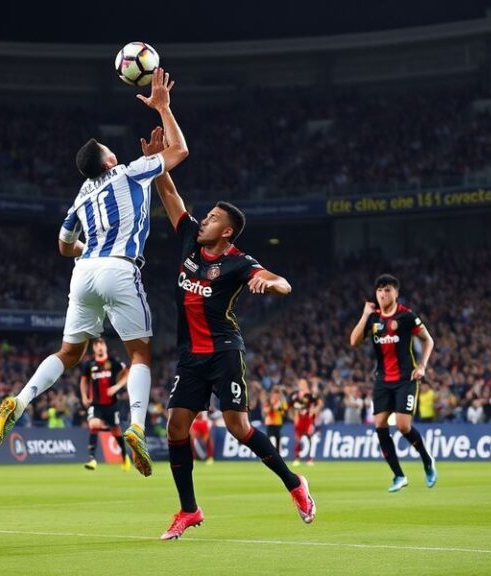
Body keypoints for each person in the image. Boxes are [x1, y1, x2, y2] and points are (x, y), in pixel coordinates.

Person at [0, 67, 189, 477]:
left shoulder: (80, 195)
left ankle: (21, 400)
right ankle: (134, 427)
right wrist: (164, 110)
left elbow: (63, 246)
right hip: (119, 268)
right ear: (109, 160)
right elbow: (180, 151)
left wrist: (87, 251)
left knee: (70, 352)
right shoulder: (129, 171)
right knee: (139, 352)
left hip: (84, 273)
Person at [145, 128, 316, 539]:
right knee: (175, 428)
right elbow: (168, 193)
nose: (204, 220)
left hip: (223, 350)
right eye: (206, 216)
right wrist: (156, 160)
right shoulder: (189, 239)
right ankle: (189, 510)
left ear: (226, 232)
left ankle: (295, 484)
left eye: (213, 219)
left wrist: (271, 285)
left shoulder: (239, 262)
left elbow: (282, 282)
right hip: (191, 355)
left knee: (239, 427)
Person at [350, 273, 437, 492]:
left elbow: (428, 340)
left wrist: (422, 366)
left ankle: (427, 460)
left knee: (402, 425)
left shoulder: (406, 316)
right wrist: (364, 315)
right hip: (382, 380)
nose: (382, 294)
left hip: (405, 379)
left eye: (387, 290)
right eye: (379, 290)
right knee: (379, 424)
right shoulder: (373, 318)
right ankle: (399, 476)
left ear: (396, 293)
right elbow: (354, 342)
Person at [80, 338, 131, 471]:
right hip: (96, 404)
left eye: (101, 344)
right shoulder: (89, 364)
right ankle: (92, 459)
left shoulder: (113, 361)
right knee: (94, 424)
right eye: (97, 345)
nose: (99, 347)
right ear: (94, 349)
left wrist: (117, 386)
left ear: (105, 346)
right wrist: (84, 396)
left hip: (111, 404)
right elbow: (84, 381)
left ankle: (125, 456)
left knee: (115, 430)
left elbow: (127, 372)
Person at [289, 379, 321, 466]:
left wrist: (314, 411)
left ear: (306, 384)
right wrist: (294, 417)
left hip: (308, 419)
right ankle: (297, 458)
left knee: (309, 438)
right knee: (298, 439)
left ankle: (310, 459)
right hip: (299, 418)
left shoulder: (310, 395)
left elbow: (320, 403)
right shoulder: (296, 395)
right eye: (300, 384)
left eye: (303, 383)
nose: (302, 385)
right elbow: (292, 407)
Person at [263, 387, 288, 452]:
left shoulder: (282, 403)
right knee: (270, 439)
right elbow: (266, 411)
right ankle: (268, 453)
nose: (276, 396)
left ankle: (277, 454)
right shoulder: (268, 401)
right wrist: (272, 406)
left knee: (277, 439)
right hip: (270, 423)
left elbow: (284, 413)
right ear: (272, 394)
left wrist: (279, 408)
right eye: (275, 394)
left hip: (278, 423)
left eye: (278, 394)